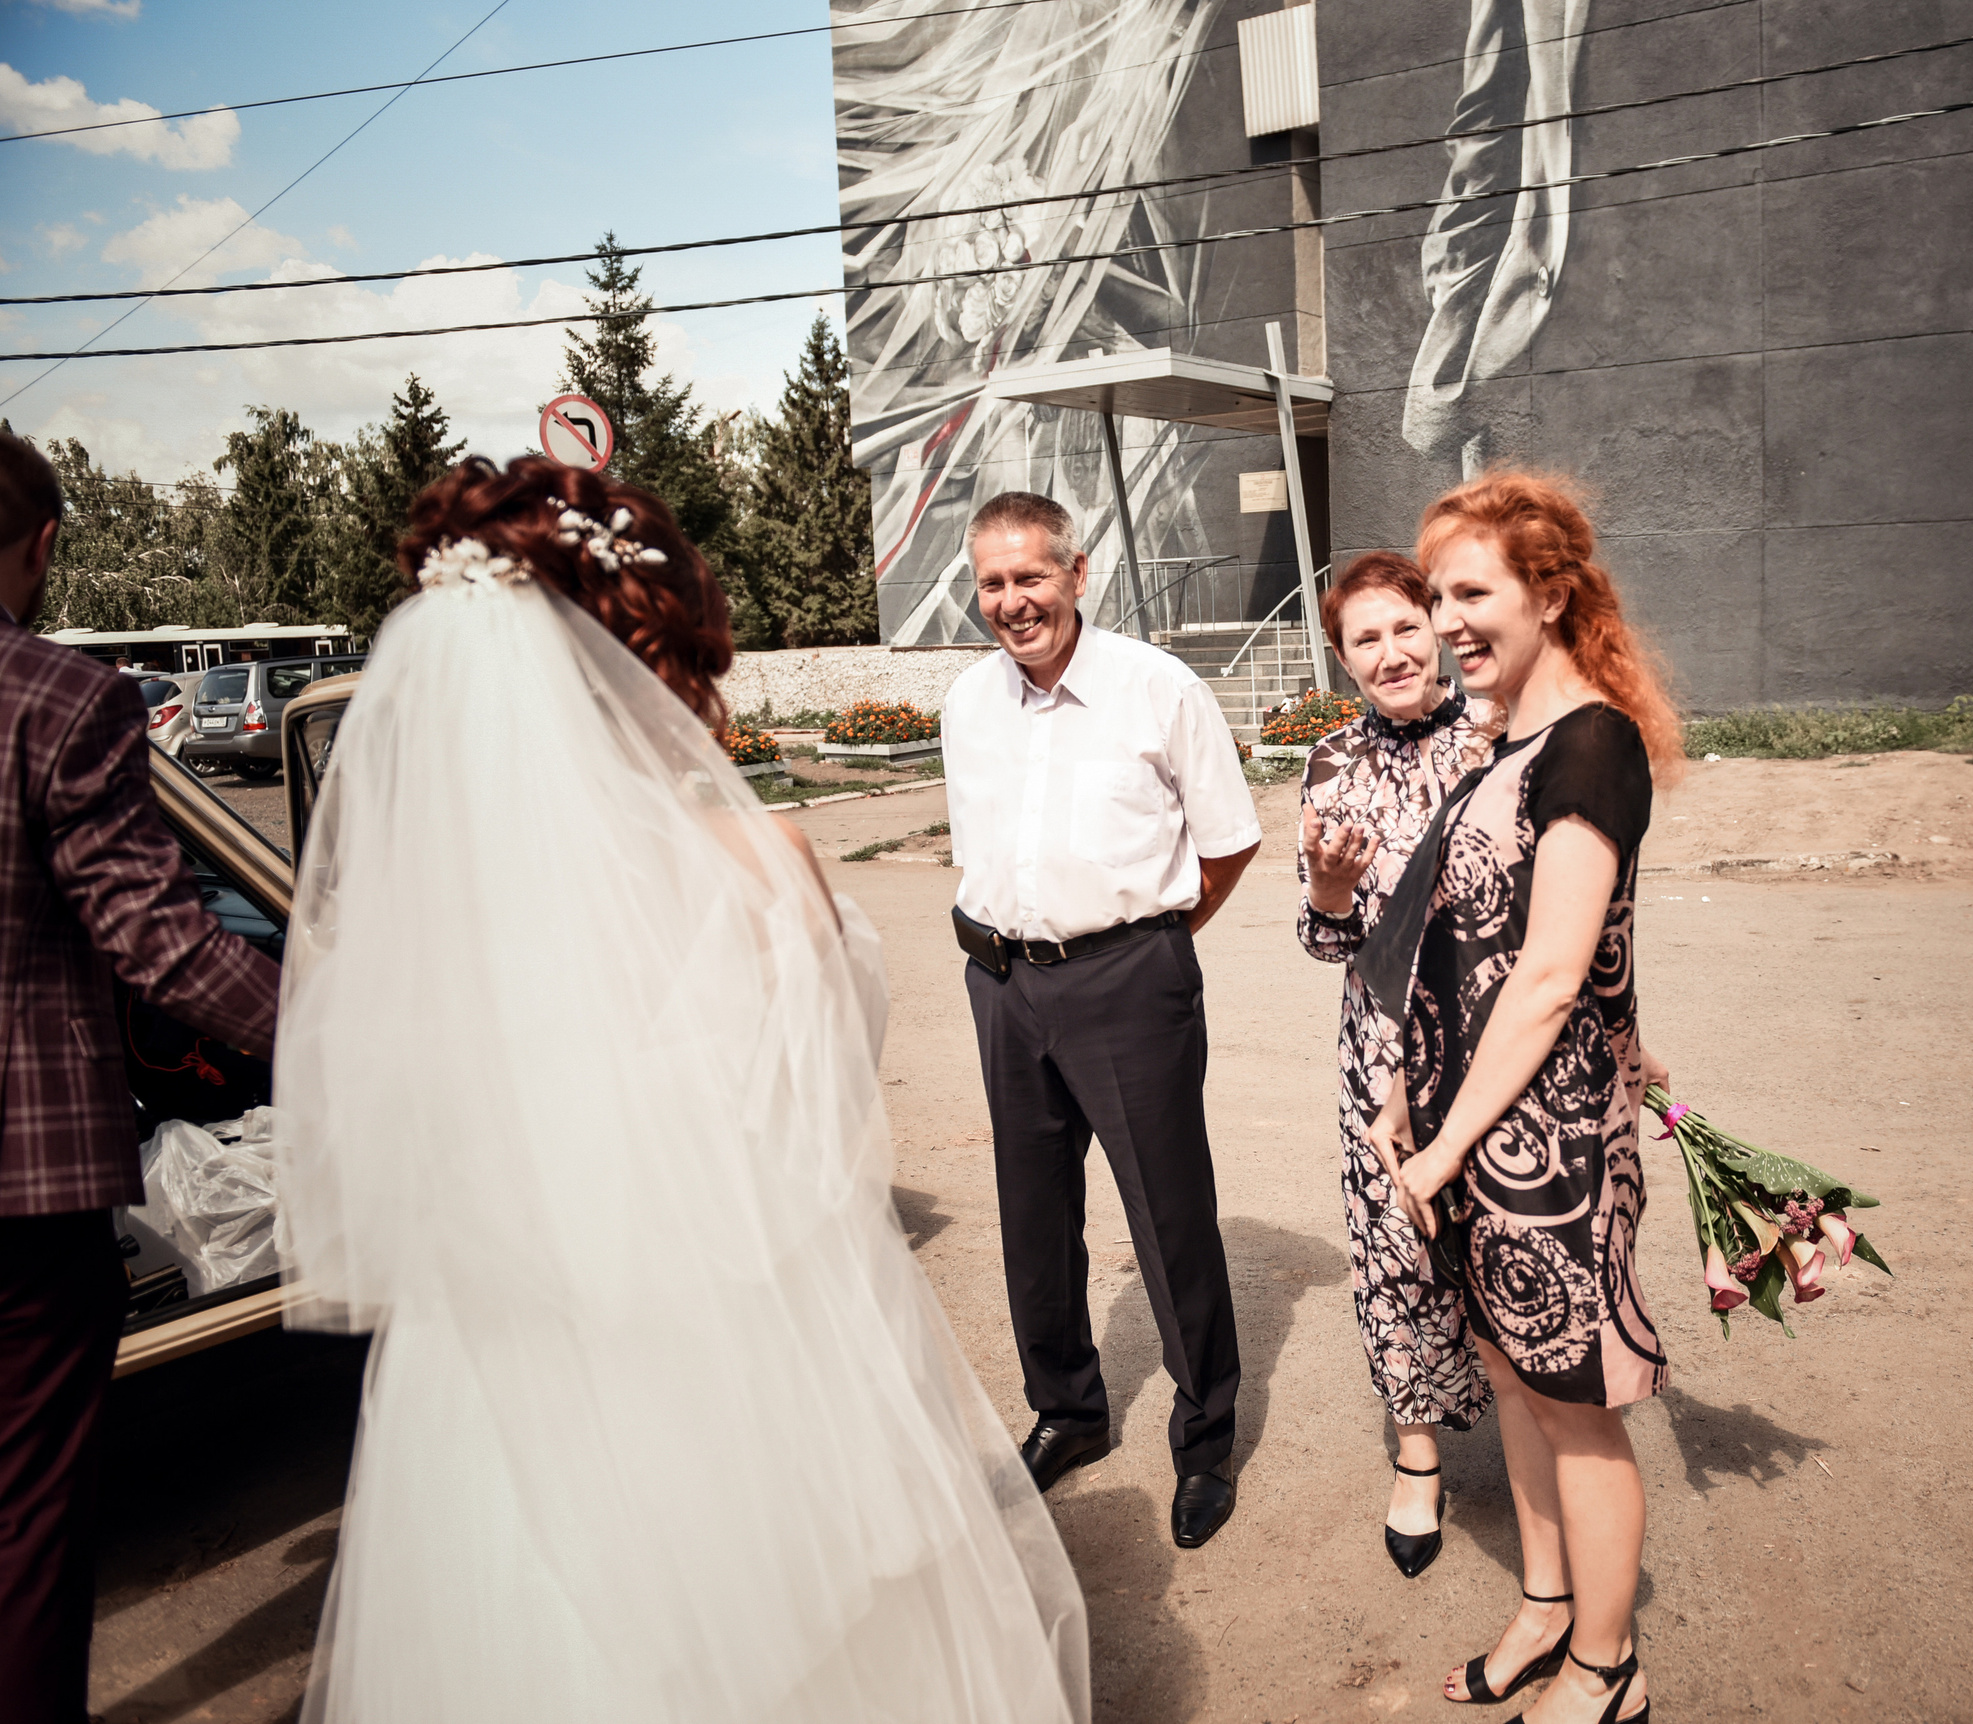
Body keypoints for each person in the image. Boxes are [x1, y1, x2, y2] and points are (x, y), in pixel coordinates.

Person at [270, 457, 1089, 1723]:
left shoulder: (418, 919)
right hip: (742, 1354)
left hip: (485, 1383)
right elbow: (832, 1111)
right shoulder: (763, 859)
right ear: (665, 642)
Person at [1355, 473, 1683, 1724]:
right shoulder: (1507, 745)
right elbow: (1475, 946)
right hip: (1468, 1130)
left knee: (1578, 1405)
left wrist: (1437, 1151)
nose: (1443, 622)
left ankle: (1609, 1666)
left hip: (1538, 1146)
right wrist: (1403, 1084)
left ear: (1549, 592)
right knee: (1512, 1379)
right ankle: (1547, 1605)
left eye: (1470, 593)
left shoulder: (1590, 742)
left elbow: (1549, 975)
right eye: (1435, 595)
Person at [0, 430, 282, 1722]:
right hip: (23, 1201)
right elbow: (161, 942)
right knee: (24, 1530)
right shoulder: (61, 698)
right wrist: (348, 1033)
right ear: (43, 545)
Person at [943, 491, 1261, 1550]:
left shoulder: (1156, 688)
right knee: (1035, 1221)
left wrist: (1154, 945)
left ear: (1078, 574)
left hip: (1128, 978)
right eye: (992, 581)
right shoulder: (964, 704)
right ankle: (1069, 1409)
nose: (1011, 600)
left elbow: (1227, 842)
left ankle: (1206, 1434)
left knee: (1168, 1219)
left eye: (1030, 576)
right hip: (1001, 982)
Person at [1293, 552, 1498, 1579]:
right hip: (1381, 1053)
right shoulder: (1329, 761)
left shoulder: (1502, 736)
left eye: (1403, 627)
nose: (1390, 652)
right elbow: (1325, 942)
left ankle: (1540, 1428)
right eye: (1363, 639)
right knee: (1398, 1249)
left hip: (1500, 1039)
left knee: (1505, 1232)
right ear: (1342, 658)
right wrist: (1330, 890)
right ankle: (1417, 1457)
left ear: (1437, 625)